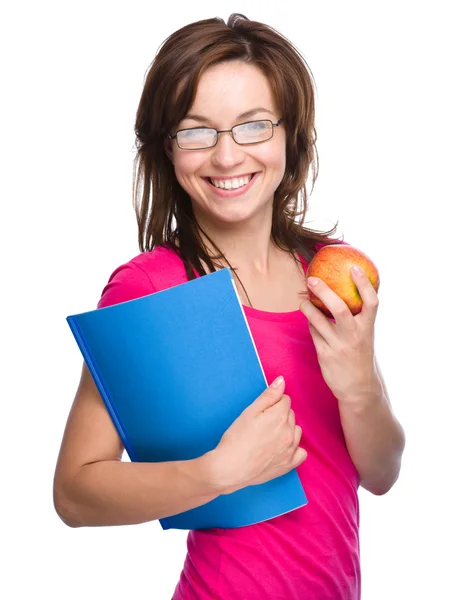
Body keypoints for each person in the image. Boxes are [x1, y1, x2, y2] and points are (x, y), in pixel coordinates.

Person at [53, 13, 406, 600]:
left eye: (252, 126)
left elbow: (381, 473)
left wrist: (359, 389)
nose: (225, 156)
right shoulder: (151, 287)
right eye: (196, 131)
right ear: (166, 148)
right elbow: (74, 493)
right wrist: (216, 474)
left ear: (290, 136)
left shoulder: (330, 272)